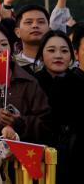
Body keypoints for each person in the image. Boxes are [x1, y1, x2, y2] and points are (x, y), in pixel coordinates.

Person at [0, 21, 49, 143]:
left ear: (11, 48)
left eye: (3, 44)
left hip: (22, 153)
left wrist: (18, 123)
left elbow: (46, 125)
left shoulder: (28, 83)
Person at [31, 30, 83, 183]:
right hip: (38, 159)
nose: (58, 55)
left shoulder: (79, 82)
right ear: (41, 55)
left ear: (72, 56)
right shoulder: (31, 84)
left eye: (64, 51)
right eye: (51, 50)